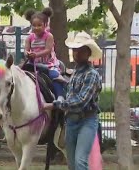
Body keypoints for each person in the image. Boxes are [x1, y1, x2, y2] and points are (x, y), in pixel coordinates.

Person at [42, 31, 103, 170]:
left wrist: (54, 105)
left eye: (81, 50)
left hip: (86, 121)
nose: (76, 54)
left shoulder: (92, 75)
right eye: (75, 50)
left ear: (88, 53)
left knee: (80, 161)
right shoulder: (76, 72)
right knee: (71, 163)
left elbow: (80, 102)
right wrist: (64, 82)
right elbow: (73, 91)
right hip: (71, 121)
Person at [23, 7, 64, 101]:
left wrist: (36, 55)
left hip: (48, 64)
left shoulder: (49, 36)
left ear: (45, 25)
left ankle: (60, 96)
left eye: (39, 25)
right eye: (34, 25)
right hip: (33, 64)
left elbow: (48, 50)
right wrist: (27, 54)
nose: (36, 28)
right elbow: (26, 50)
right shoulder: (29, 38)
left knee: (55, 76)